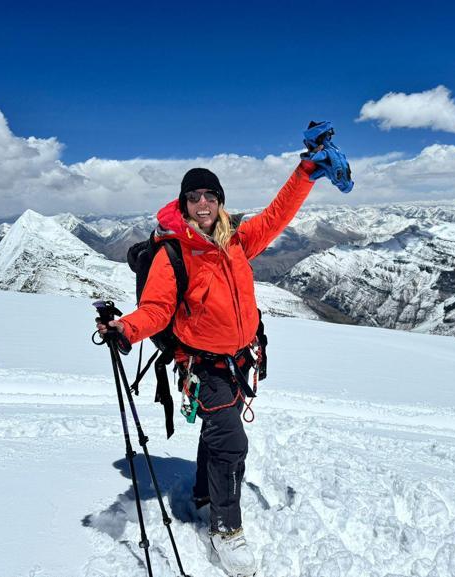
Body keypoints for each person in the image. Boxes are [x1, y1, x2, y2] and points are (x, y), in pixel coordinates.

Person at [96, 157, 319, 577]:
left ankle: (203, 493)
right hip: (203, 365)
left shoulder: (236, 239)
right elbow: (157, 309)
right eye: (193, 196)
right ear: (183, 204)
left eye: (210, 195)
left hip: (239, 359)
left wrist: (306, 171)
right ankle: (225, 530)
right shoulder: (174, 253)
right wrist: (125, 329)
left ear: (220, 201)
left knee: (220, 433)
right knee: (231, 442)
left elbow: (277, 214)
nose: (202, 202)